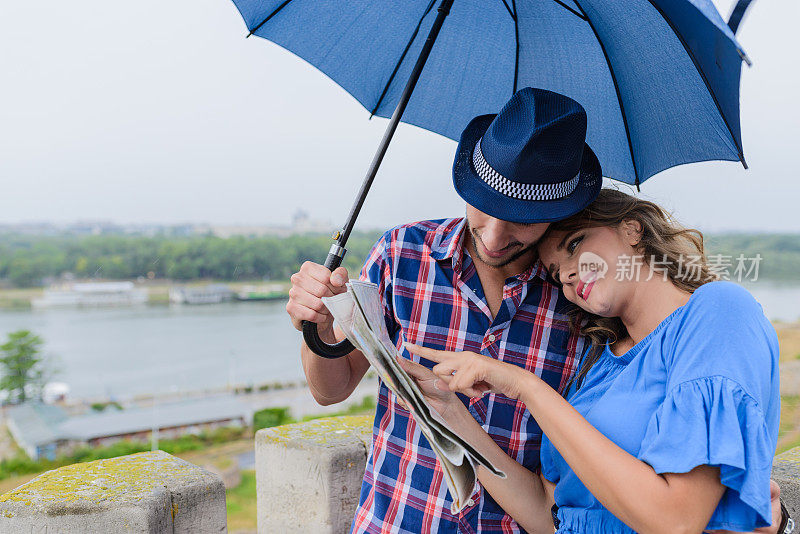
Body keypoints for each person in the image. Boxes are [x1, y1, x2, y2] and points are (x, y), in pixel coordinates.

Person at [286, 88, 783, 533]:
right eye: (484, 207)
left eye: (524, 220)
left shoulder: (585, 317)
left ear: (557, 214)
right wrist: (320, 328)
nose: (496, 237)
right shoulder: (401, 253)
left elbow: (663, 496)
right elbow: (328, 390)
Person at [402, 188, 782, 533]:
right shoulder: (598, 363)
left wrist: (525, 386)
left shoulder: (718, 311)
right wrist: (447, 412)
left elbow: (676, 520)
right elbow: (546, 513)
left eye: (574, 244)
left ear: (632, 230)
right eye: (554, 274)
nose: (566, 275)